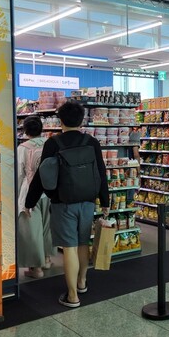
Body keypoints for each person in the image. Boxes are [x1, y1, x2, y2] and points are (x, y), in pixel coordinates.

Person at [25, 99, 109, 307]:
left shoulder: (53, 143)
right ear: (82, 120)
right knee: (83, 243)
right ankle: (82, 282)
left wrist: (30, 201)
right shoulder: (92, 142)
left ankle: (72, 296)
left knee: (69, 247)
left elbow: (42, 176)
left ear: (60, 120)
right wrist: (105, 201)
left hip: (63, 203)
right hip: (88, 202)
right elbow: (101, 172)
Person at [17, 116, 54, 278]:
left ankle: (36, 268)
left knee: (31, 230)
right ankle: (47, 259)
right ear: (41, 128)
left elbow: (20, 174)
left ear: (25, 130)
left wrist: (17, 195)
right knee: (47, 226)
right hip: (49, 191)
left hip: (30, 192)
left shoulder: (23, 148)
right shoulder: (50, 144)